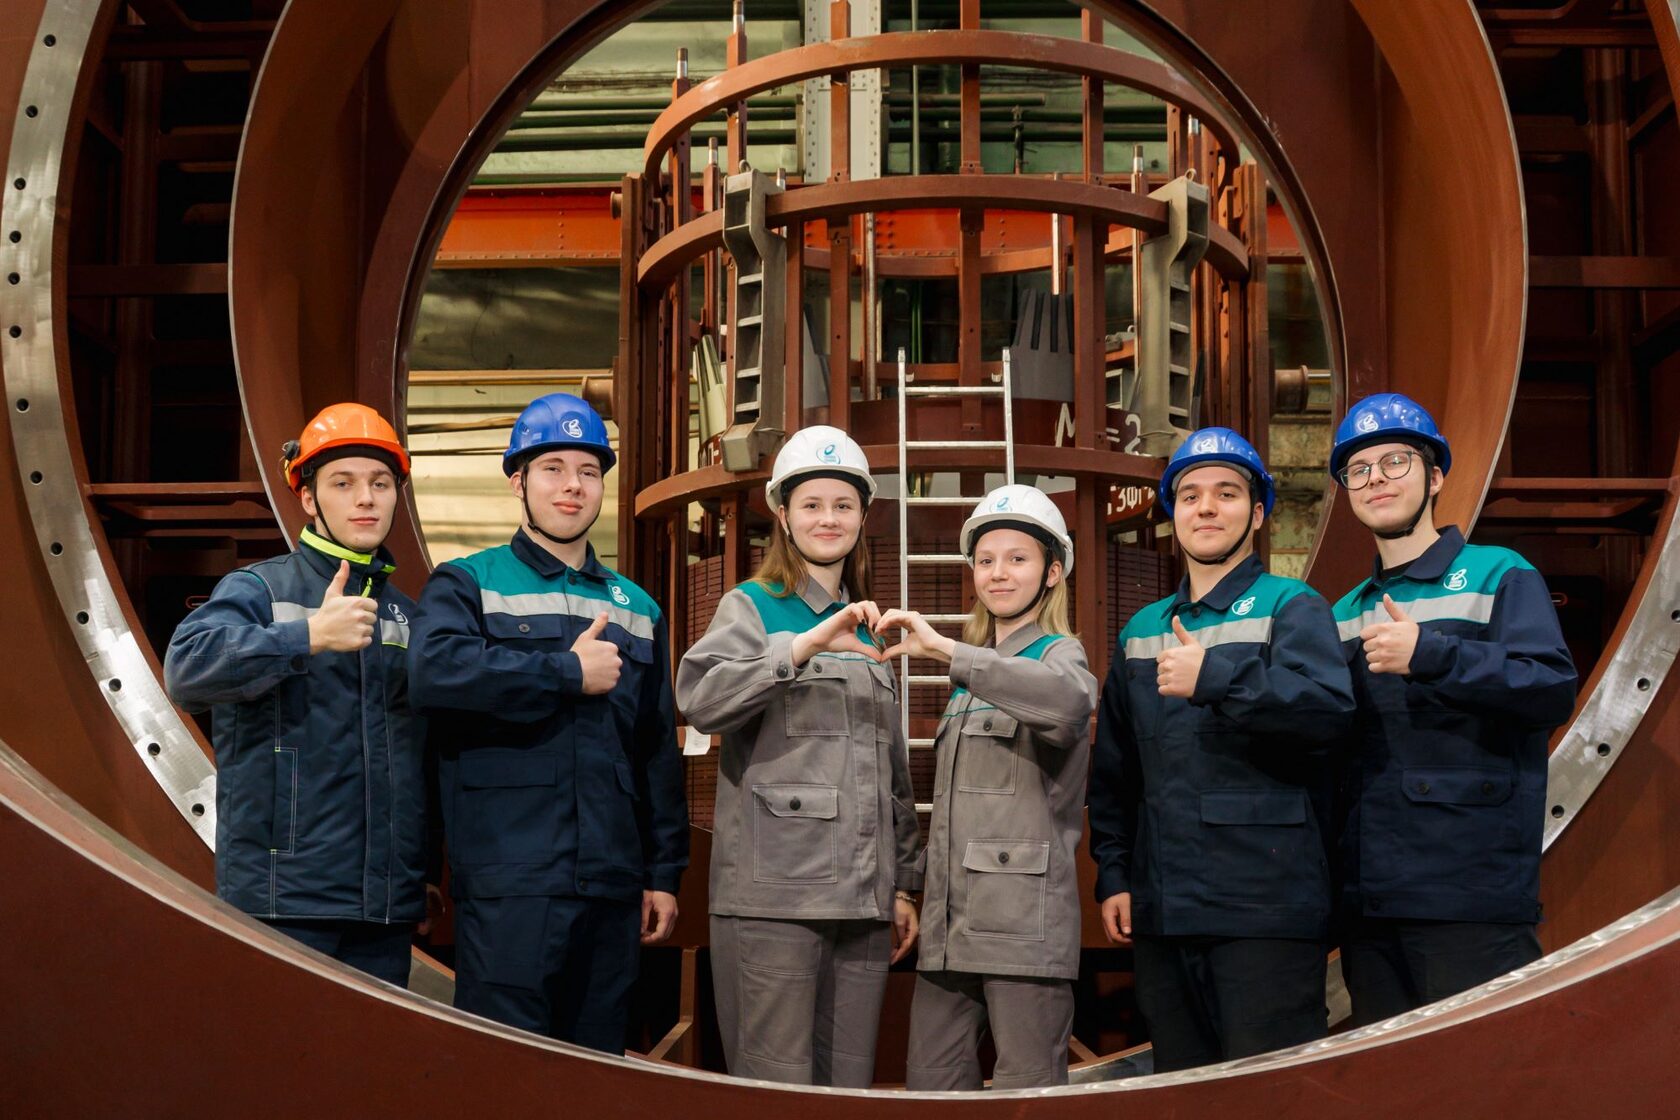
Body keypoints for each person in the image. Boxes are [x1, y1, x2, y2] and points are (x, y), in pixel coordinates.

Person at [406, 392, 688, 1053]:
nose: (572, 486)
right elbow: (434, 672)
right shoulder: (467, 584)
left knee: (597, 1066)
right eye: (553, 468)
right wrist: (565, 672)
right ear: (518, 481)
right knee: (506, 1067)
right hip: (510, 877)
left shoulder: (637, 607)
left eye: (588, 471)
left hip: (612, 882)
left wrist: (662, 873)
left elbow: (655, 752)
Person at [1088, 427, 1354, 1071]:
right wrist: (1115, 875)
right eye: (1190, 495)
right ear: (1172, 514)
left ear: (1258, 513)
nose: (1206, 508)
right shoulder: (1143, 630)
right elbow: (1117, 771)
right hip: (1165, 910)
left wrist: (1218, 678)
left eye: (1226, 494)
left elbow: (1328, 715)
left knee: (1268, 1093)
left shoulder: (1294, 607)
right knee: (1183, 1089)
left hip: (1266, 910)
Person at [674, 426, 919, 1087]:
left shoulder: (867, 628)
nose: (828, 518)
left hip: (862, 904)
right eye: (811, 505)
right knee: (775, 1089)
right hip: (774, 902)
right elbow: (701, 700)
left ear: (862, 516)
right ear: (783, 515)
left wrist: (901, 884)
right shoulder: (751, 607)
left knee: (847, 1090)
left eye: (843, 505)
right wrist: (803, 646)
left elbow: (890, 772)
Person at [1327, 393, 1576, 1026]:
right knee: (1387, 1073)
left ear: (1435, 476)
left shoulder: (1498, 573)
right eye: (1358, 469)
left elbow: (1549, 687)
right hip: (1370, 901)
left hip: (1470, 894)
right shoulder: (1343, 611)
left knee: (1486, 1067)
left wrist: (1432, 654)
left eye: (1395, 462)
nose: (1376, 479)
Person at [164, 403, 431, 987]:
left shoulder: (409, 616)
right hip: (283, 901)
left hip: (384, 909)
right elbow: (186, 672)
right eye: (343, 483)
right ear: (308, 498)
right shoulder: (260, 589)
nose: (366, 499)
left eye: (380, 483)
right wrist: (307, 635)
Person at [878, 484, 1098, 1090]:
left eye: (1017, 559)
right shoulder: (969, 683)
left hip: (1023, 929)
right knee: (931, 1087)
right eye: (986, 560)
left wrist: (950, 651)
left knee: (1029, 1093)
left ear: (1052, 573)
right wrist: (915, 890)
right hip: (950, 930)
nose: (998, 573)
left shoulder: (1059, 656)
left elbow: (1068, 707)